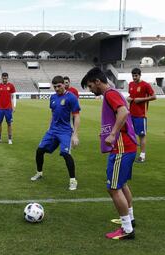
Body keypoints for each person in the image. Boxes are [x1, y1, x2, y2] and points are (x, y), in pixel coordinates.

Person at [82, 67, 136, 240]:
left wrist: (112, 134)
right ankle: (131, 219)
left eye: (90, 86)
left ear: (98, 82)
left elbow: (123, 112)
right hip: (127, 146)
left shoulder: (110, 94)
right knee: (122, 184)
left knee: (113, 188)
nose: (90, 90)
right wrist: (107, 132)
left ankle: (127, 229)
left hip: (121, 147)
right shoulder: (113, 93)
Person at [30, 76, 80, 191]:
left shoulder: (71, 97)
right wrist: (49, 128)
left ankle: (73, 180)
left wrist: (75, 134)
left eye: (59, 86)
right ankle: (39, 173)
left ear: (64, 84)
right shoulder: (52, 97)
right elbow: (53, 114)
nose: (57, 89)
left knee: (66, 154)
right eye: (55, 86)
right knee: (40, 150)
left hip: (65, 131)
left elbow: (76, 116)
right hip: (52, 130)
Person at [127, 68, 156, 163]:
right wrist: (129, 98)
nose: (134, 77)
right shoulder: (130, 84)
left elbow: (154, 96)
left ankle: (142, 155)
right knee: (130, 134)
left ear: (140, 75)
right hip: (131, 114)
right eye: (133, 76)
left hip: (141, 115)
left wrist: (141, 99)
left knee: (141, 135)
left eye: (136, 75)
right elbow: (130, 96)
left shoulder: (145, 85)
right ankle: (131, 153)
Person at [0, 72, 16, 144]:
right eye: (3, 77)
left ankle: (10, 139)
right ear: (1, 78)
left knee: (9, 124)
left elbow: (14, 96)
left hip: (8, 108)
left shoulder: (11, 86)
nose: (4, 78)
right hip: (0, 108)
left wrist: (14, 106)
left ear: (7, 78)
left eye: (6, 77)